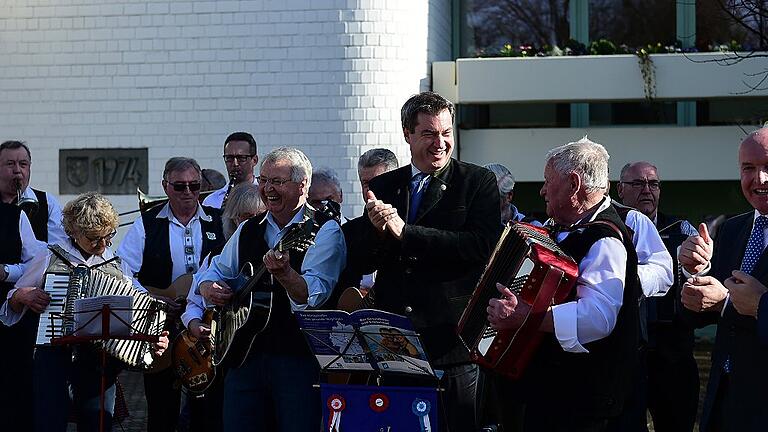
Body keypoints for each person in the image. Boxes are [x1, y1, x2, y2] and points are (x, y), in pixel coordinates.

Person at [362, 91, 501, 431]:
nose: (439, 143)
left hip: (453, 341)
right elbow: (366, 260)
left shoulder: (477, 182)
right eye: (428, 133)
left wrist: (405, 231)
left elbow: (479, 246)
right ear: (408, 134)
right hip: (395, 340)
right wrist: (376, 232)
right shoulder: (383, 185)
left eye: (446, 133)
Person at [487, 137, 640, 431]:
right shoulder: (558, 229)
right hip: (551, 396)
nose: (542, 190)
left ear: (573, 183)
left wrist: (526, 318)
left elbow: (598, 319)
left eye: (547, 181)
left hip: (582, 403)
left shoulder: (605, 239)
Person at [197, 147, 346, 432]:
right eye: (264, 180)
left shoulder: (323, 230)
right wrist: (207, 287)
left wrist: (287, 275)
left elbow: (313, 297)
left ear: (303, 185)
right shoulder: (249, 228)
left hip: (297, 360)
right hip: (243, 356)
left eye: (278, 182)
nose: (268, 189)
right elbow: (215, 269)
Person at [0, 192, 168, 432]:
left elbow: (145, 307)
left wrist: (155, 336)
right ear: (73, 232)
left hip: (99, 362)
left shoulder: (117, 266)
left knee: (97, 426)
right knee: (49, 423)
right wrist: (21, 295)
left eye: (107, 237)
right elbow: (11, 302)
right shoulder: (50, 257)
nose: (102, 245)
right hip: (53, 358)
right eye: (93, 239)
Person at [118, 157, 225, 432]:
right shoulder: (146, 224)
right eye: (180, 186)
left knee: (208, 413)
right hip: (160, 330)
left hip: (206, 330)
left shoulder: (219, 222)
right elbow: (123, 271)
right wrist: (152, 299)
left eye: (194, 185)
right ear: (166, 187)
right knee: (161, 410)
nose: (188, 192)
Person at [678, 128, 768, 431]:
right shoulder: (732, 229)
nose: (760, 179)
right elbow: (699, 314)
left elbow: (735, 302)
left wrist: (755, 305)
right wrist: (695, 273)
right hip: (725, 403)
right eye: (749, 168)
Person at [617, 161, 699, 432]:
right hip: (627, 351)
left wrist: (697, 264)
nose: (647, 190)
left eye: (653, 184)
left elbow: (699, 278)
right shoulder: (610, 231)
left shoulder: (681, 230)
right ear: (620, 190)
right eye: (638, 184)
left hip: (672, 350)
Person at [181, 182, 264, 432]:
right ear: (232, 220)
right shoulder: (217, 254)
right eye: (245, 218)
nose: (251, 224)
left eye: (258, 217)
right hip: (217, 356)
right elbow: (193, 302)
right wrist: (194, 323)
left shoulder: (268, 253)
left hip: (253, 354)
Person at [331, 148, 399, 308]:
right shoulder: (347, 232)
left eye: (378, 181)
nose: (370, 191)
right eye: (366, 183)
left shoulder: (412, 225)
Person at [0, 202, 46, 431]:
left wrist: (5, 271)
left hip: (8, 318)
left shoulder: (14, 216)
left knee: (11, 390)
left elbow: (34, 265)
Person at [0, 140, 66, 245]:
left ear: (29, 168)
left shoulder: (48, 203)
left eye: (23, 164)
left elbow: (59, 246)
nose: (17, 170)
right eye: (10, 164)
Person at [203, 132, 259, 209]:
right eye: (229, 158)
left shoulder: (265, 195)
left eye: (241, 158)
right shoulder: (211, 201)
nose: (235, 163)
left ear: (254, 160)